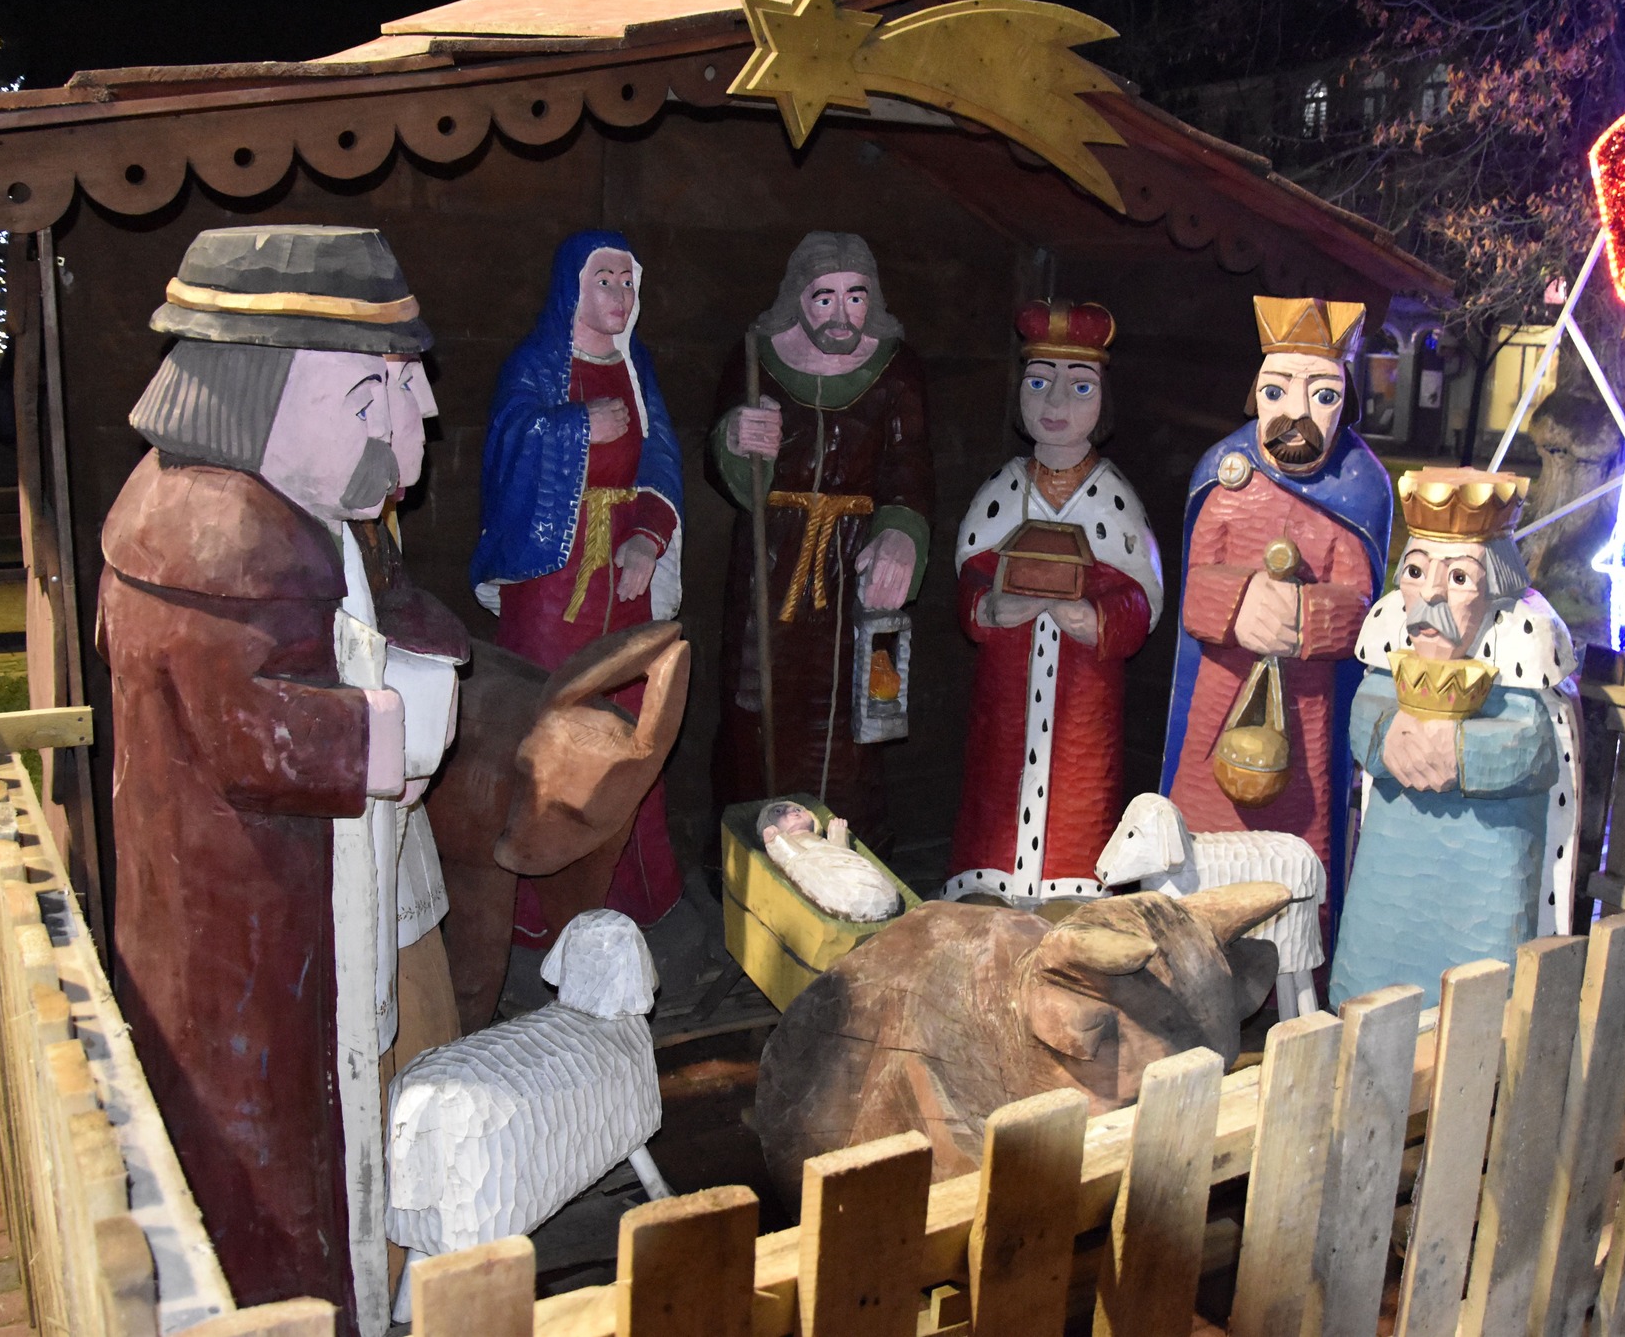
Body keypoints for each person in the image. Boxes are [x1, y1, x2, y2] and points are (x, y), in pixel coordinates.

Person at [97, 226, 468, 1331]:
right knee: (271, 1138)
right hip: (253, 918)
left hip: (304, 901)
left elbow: (366, 606)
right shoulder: (217, 537)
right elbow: (254, 732)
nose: (416, 416)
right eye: (372, 393)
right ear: (259, 397)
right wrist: (388, 727)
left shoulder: (300, 511)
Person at [1160, 296, 1394, 964]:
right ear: (1255, 394)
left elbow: (1364, 610)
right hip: (1218, 704)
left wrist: (1307, 618)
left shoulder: (1360, 487)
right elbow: (1194, 590)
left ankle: (1295, 972)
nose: (1297, 413)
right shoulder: (1225, 477)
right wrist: (1239, 602)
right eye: (1277, 391)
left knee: (1298, 854)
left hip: (1309, 715)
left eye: (1322, 395)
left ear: (1345, 401)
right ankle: (1190, 959)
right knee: (1204, 836)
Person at [470, 231, 685, 926]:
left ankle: (633, 892)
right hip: (553, 577)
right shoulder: (536, 363)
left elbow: (660, 456)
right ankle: (541, 908)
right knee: (550, 717)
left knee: (631, 722)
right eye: (605, 280)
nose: (619, 294)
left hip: (623, 574)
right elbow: (508, 442)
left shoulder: (635, 365)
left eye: (627, 281)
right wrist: (574, 426)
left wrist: (648, 539)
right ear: (573, 287)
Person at [711, 232, 934, 839]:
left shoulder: (896, 368)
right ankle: (751, 852)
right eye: (824, 297)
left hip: (852, 565)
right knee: (755, 710)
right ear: (797, 298)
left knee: (852, 719)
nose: (841, 314)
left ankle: (848, 850)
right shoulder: (756, 358)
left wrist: (900, 537)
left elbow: (910, 470)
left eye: (855, 297)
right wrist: (737, 439)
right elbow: (722, 461)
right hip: (770, 561)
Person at [1329, 468, 1580, 1008]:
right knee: (1372, 979)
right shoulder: (1394, 634)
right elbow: (1368, 704)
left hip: (1484, 868)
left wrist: (1464, 753)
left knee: (1475, 996)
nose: (1431, 595)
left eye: (1459, 578)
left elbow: (1537, 744)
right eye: (1416, 571)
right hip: (1393, 863)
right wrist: (1384, 732)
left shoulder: (1523, 646)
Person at [945, 300, 1162, 906]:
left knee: (1081, 784)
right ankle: (987, 881)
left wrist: (1097, 619)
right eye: (1039, 383)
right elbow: (971, 574)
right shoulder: (1003, 490)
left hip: (1083, 697)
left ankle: (1073, 886)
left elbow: (1142, 594)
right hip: (1007, 692)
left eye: (1080, 386)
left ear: (1103, 400)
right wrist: (989, 608)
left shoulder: (1115, 498)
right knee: (995, 779)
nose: (1056, 403)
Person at [757, 800, 901, 922]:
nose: (793, 813)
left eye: (798, 809)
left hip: (850, 879)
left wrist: (838, 842)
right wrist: (777, 842)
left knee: (857, 875)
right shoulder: (789, 840)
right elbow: (798, 863)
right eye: (779, 812)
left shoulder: (821, 840)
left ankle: (874, 893)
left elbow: (839, 862)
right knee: (802, 865)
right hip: (815, 870)